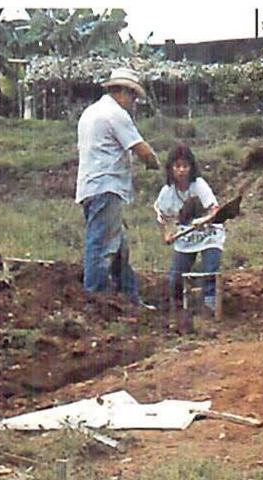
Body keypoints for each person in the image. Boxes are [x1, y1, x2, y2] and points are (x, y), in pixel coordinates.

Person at [75, 67, 160, 305]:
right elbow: (141, 149)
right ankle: (95, 299)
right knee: (101, 246)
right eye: (133, 96)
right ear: (122, 91)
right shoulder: (115, 114)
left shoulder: (90, 113)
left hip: (90, 187)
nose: (134, 103)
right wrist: (156, 164)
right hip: (107, 186)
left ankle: (130, 298)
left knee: (118, 249)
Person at [155, 144, 225, 311]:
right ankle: (178, 310)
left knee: (209, 271)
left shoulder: (199, 185)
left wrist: (206, 219)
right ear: (171, 168)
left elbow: (215, 208)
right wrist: (166, 235)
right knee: (176, 277)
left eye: (185, 166)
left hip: (209, 234)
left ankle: (210, 306)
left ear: (191, 167)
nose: (181, 170)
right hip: (185, 236)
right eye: (177, 166)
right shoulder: (167, 192)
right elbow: (161, 217)